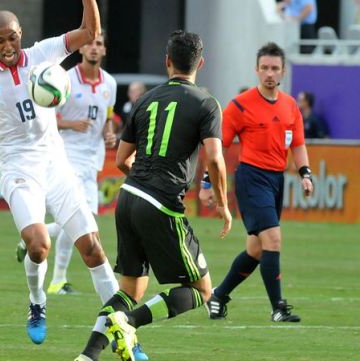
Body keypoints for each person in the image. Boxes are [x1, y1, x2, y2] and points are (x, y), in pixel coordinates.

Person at [0, 1, 120, 346]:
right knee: (40, 245)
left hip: (56, 163)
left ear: (20, 34)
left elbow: (90, 33)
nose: (8, 47)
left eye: (12, 38)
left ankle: (124, 330)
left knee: (93, 250)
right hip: (17, 167)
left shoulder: (43, 53)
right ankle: (37, 301)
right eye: (0, 41)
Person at [75, 30, 232, 361]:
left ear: (167, 62)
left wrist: (142, 185)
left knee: (131, 288)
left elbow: (121, 160)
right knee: (201, 291)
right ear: (200, 63)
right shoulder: (206, 102)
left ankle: (88, 356)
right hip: (160, 202)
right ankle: (127, 323)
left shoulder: (145, 99)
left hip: (128, 196)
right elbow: (215, 158)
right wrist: (222, 203)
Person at [201, 42, 313, 324]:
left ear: (283, 71)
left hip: (277, 180)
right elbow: (219, 146)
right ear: (257, 70)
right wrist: (206, 183)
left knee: (256, 249)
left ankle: (219, 296)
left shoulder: (290, 106)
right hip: (251, 179)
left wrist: (305, 174)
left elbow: (298, 144)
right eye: (264, 68)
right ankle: (278, 308)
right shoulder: (240, 105)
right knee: (273, 239)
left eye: (275, 68)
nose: (269, 73)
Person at [16, 32, 117, 297]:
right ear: (81, 49)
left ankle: (33, 237)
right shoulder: (65, 78)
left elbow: (107, 117)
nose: (94, 48)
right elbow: (44, 117)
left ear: (104, 50)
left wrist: (109, 132)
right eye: (90, 44)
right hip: (68, 155)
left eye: (99, 44)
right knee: (81, 222)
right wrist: (71, 124)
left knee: (78, 222)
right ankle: (58, 279)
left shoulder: (110, 83)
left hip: (92, 158)